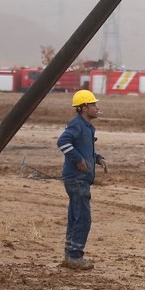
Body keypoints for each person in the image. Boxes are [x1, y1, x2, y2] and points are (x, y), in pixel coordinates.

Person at [57, 89, 107, 270]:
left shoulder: (86, 127)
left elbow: (83, 148)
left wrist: (97, 158)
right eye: (94, 104)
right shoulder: (77, 125)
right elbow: (62, 142)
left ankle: (70, 253)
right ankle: (74, 256)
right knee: (83, 219)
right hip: (77, 179)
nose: (97, 108)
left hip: (80, 179)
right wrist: (78, 160)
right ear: (84, 108)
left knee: (75, 217)